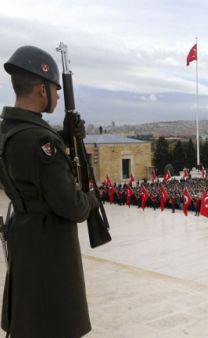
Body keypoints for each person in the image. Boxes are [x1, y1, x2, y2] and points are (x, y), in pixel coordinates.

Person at [0, 45, 96, 337]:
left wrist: (65, 137)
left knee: (30, 322)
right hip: (49, 249)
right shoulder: (43, 144)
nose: (57, 95)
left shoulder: (9, 130)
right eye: (56, 89)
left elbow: (33, 174)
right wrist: (92, 198)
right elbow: (73, 206)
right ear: (42, 90)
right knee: (52, 325)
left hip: (26, 237)